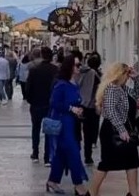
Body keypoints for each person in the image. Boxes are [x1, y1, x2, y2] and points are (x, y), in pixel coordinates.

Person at [88, 63, 139, 196]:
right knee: (107, 163)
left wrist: (136, 79)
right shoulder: (112, 89)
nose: (127, 77)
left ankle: (133, 193)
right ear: (120, 75)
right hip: (112, 131)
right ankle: (91, 192)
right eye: (126, 74)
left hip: (125, 130)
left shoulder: (123, 88)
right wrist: (121, 130)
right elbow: (111, 111)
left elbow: (136, 94)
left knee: (132, 161)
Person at [47, 55, 89, 195]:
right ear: (70, 67)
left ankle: (53, 180)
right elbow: (54, 103)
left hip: (73, 122)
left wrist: (79, 109)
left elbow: (76, 101)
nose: (79, 67)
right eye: (77, 65)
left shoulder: (74, 83)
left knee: (61, 153)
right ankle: (78, 183)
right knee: (73, 152)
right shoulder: (62, 84)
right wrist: (71, 108)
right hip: (63, 123)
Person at [26, 47, 58, 166]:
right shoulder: (55, 70)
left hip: (36, 104)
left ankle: (35, 153)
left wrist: (31, 100)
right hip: (50, 104)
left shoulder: (34, 70)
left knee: (36, 128)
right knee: (49, 130)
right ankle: (47, 157)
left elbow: (28, 88)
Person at [78, 52, 102, 164]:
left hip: (80, 103)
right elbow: (100, 90)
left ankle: (82, 153)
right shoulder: (95, 74)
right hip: (91, 105)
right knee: (90, 130)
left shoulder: (81, 72)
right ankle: (88, 155)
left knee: (82, 130)